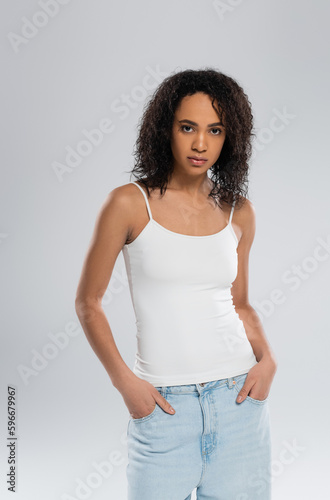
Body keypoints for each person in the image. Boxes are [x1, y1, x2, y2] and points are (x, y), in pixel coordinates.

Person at [75, 68, 278, 500]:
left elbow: (240, 304)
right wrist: (126, 384)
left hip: (239, 402)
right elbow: (88, 303)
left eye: (215, 130)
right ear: (165, 127)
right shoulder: (129, 203)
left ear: (231, 137)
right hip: (163, 409)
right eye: (188, 127)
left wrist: (268, 360)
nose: (200, 143)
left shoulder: (238, 211)